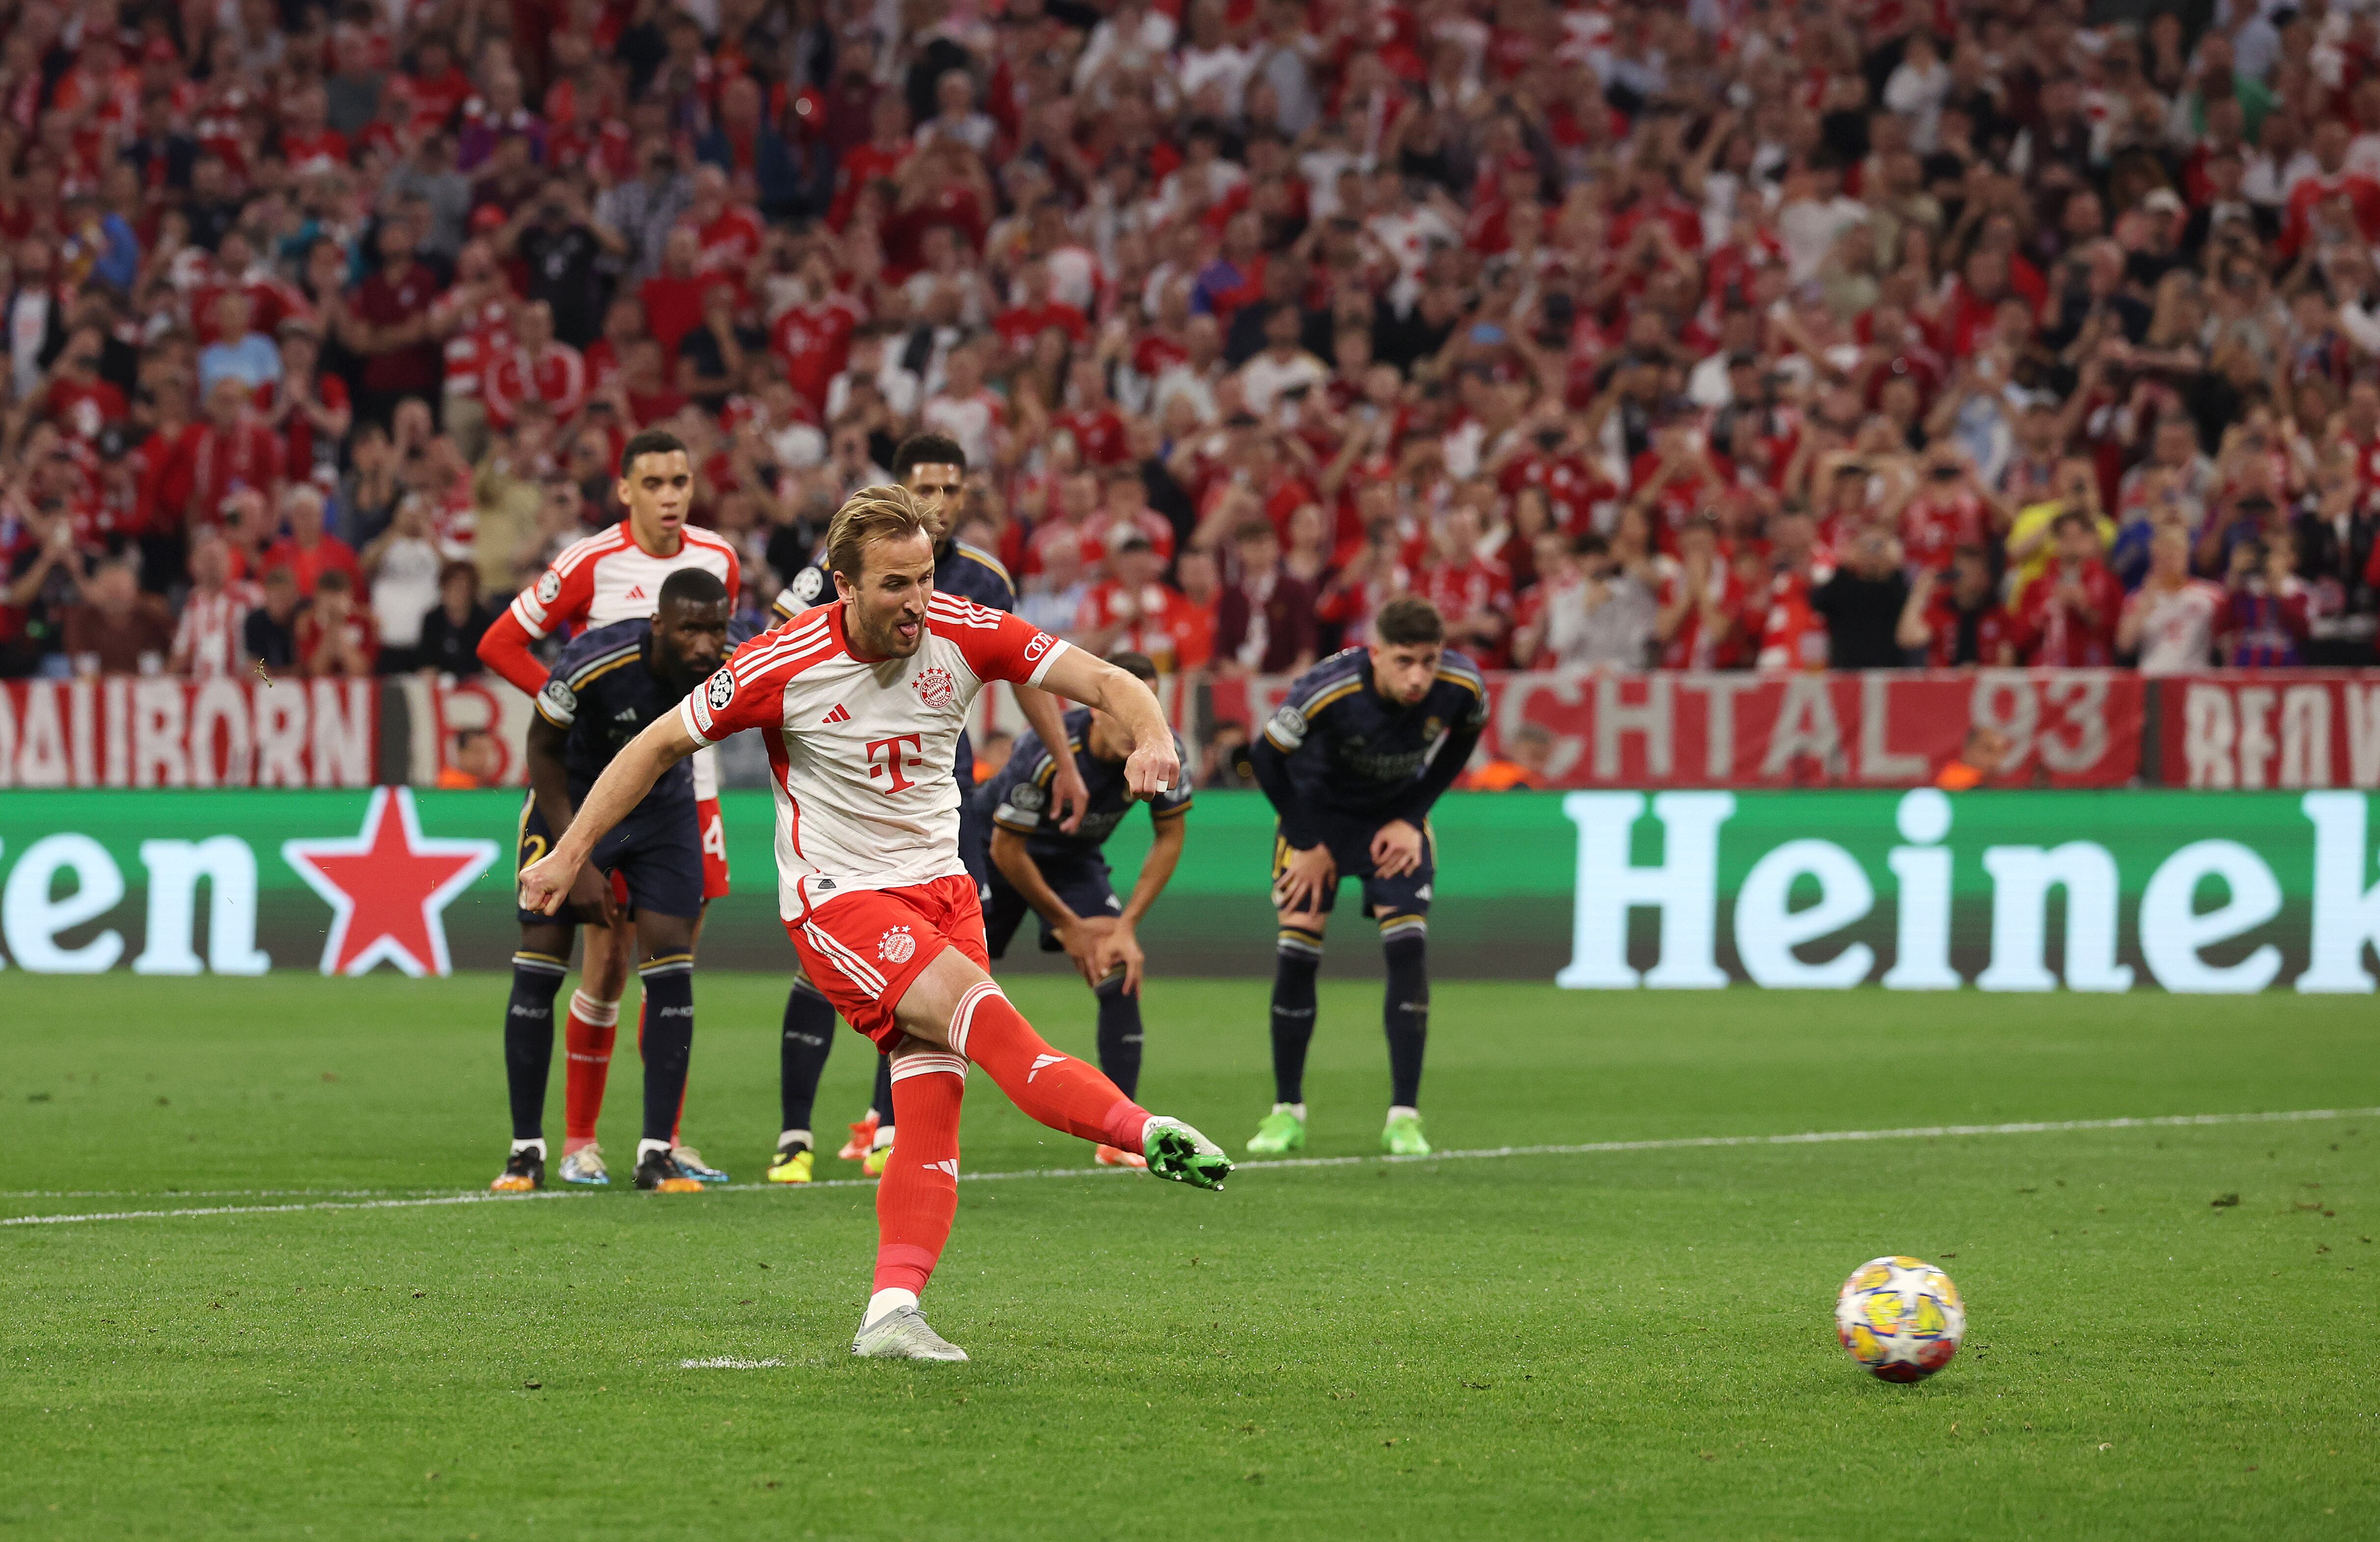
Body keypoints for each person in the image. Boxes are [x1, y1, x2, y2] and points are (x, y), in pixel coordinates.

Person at [519, 485, 1230, 1361]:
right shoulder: (781, 662)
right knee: (997, 1030)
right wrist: (566, 852)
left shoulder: (962, 630)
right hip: (841, 901)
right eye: (895, 584)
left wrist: (1152, 735)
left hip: (944, 894)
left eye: (925, 577)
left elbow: (1109, 680)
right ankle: (1140, 1131)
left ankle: (891, 1313)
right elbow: (654, 745)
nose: (917, 601)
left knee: (932, 1111)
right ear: (843, 585)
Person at [764, 433, 1089, 1185]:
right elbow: (775, 650)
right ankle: (794, 1133)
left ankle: (886, 1126)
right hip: (841, 793)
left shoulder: (983, 579)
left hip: (934, 791)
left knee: (931, 965)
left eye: (953, 489)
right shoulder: (834, 571)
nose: (940, 503)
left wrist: (1064, 761)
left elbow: (1027, 670)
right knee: (824, 971)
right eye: (926, 488)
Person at [477, 429, 742, 1185]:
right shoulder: (592, 561)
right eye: (653, 482)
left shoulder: (717, 558)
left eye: (681, 481)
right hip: (596, 782)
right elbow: (501, 642)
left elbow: (725, 656)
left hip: (688, 780)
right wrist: (571, 708)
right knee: (606, 959)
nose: (670, 496)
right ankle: (577, 1140)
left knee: (674, 946)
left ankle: (667, 1141)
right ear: (625, 490)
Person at [1244, 596, 1487, 1159]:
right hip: (1315, 814)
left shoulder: (1464, 686)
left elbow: (1465, 739)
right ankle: (1287, 1112)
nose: (1419, 675)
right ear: (1376, 653)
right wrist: (1306, 842)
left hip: (1394, 820)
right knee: (1298, 947)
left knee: (1408, 949)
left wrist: (1411, 814)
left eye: (1429, 660)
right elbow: (1262, 755)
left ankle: (1405, 1117)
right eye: (1404, 660)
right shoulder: (1328, 687)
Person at [979, 651, 1193, 1168]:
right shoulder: (1048, 754)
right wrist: (1067, 925)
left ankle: (1122, 1135)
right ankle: (885, 1126)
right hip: (995, 856)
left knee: (1118, 969)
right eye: (1123, 706)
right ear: (1095, 706)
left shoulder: (1163, 750)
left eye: (1147, 706)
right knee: (941, 982)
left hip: (1073, 860)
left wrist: (1125, 926)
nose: (1137, 722)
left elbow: (1170, 836)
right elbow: (1007, 850)